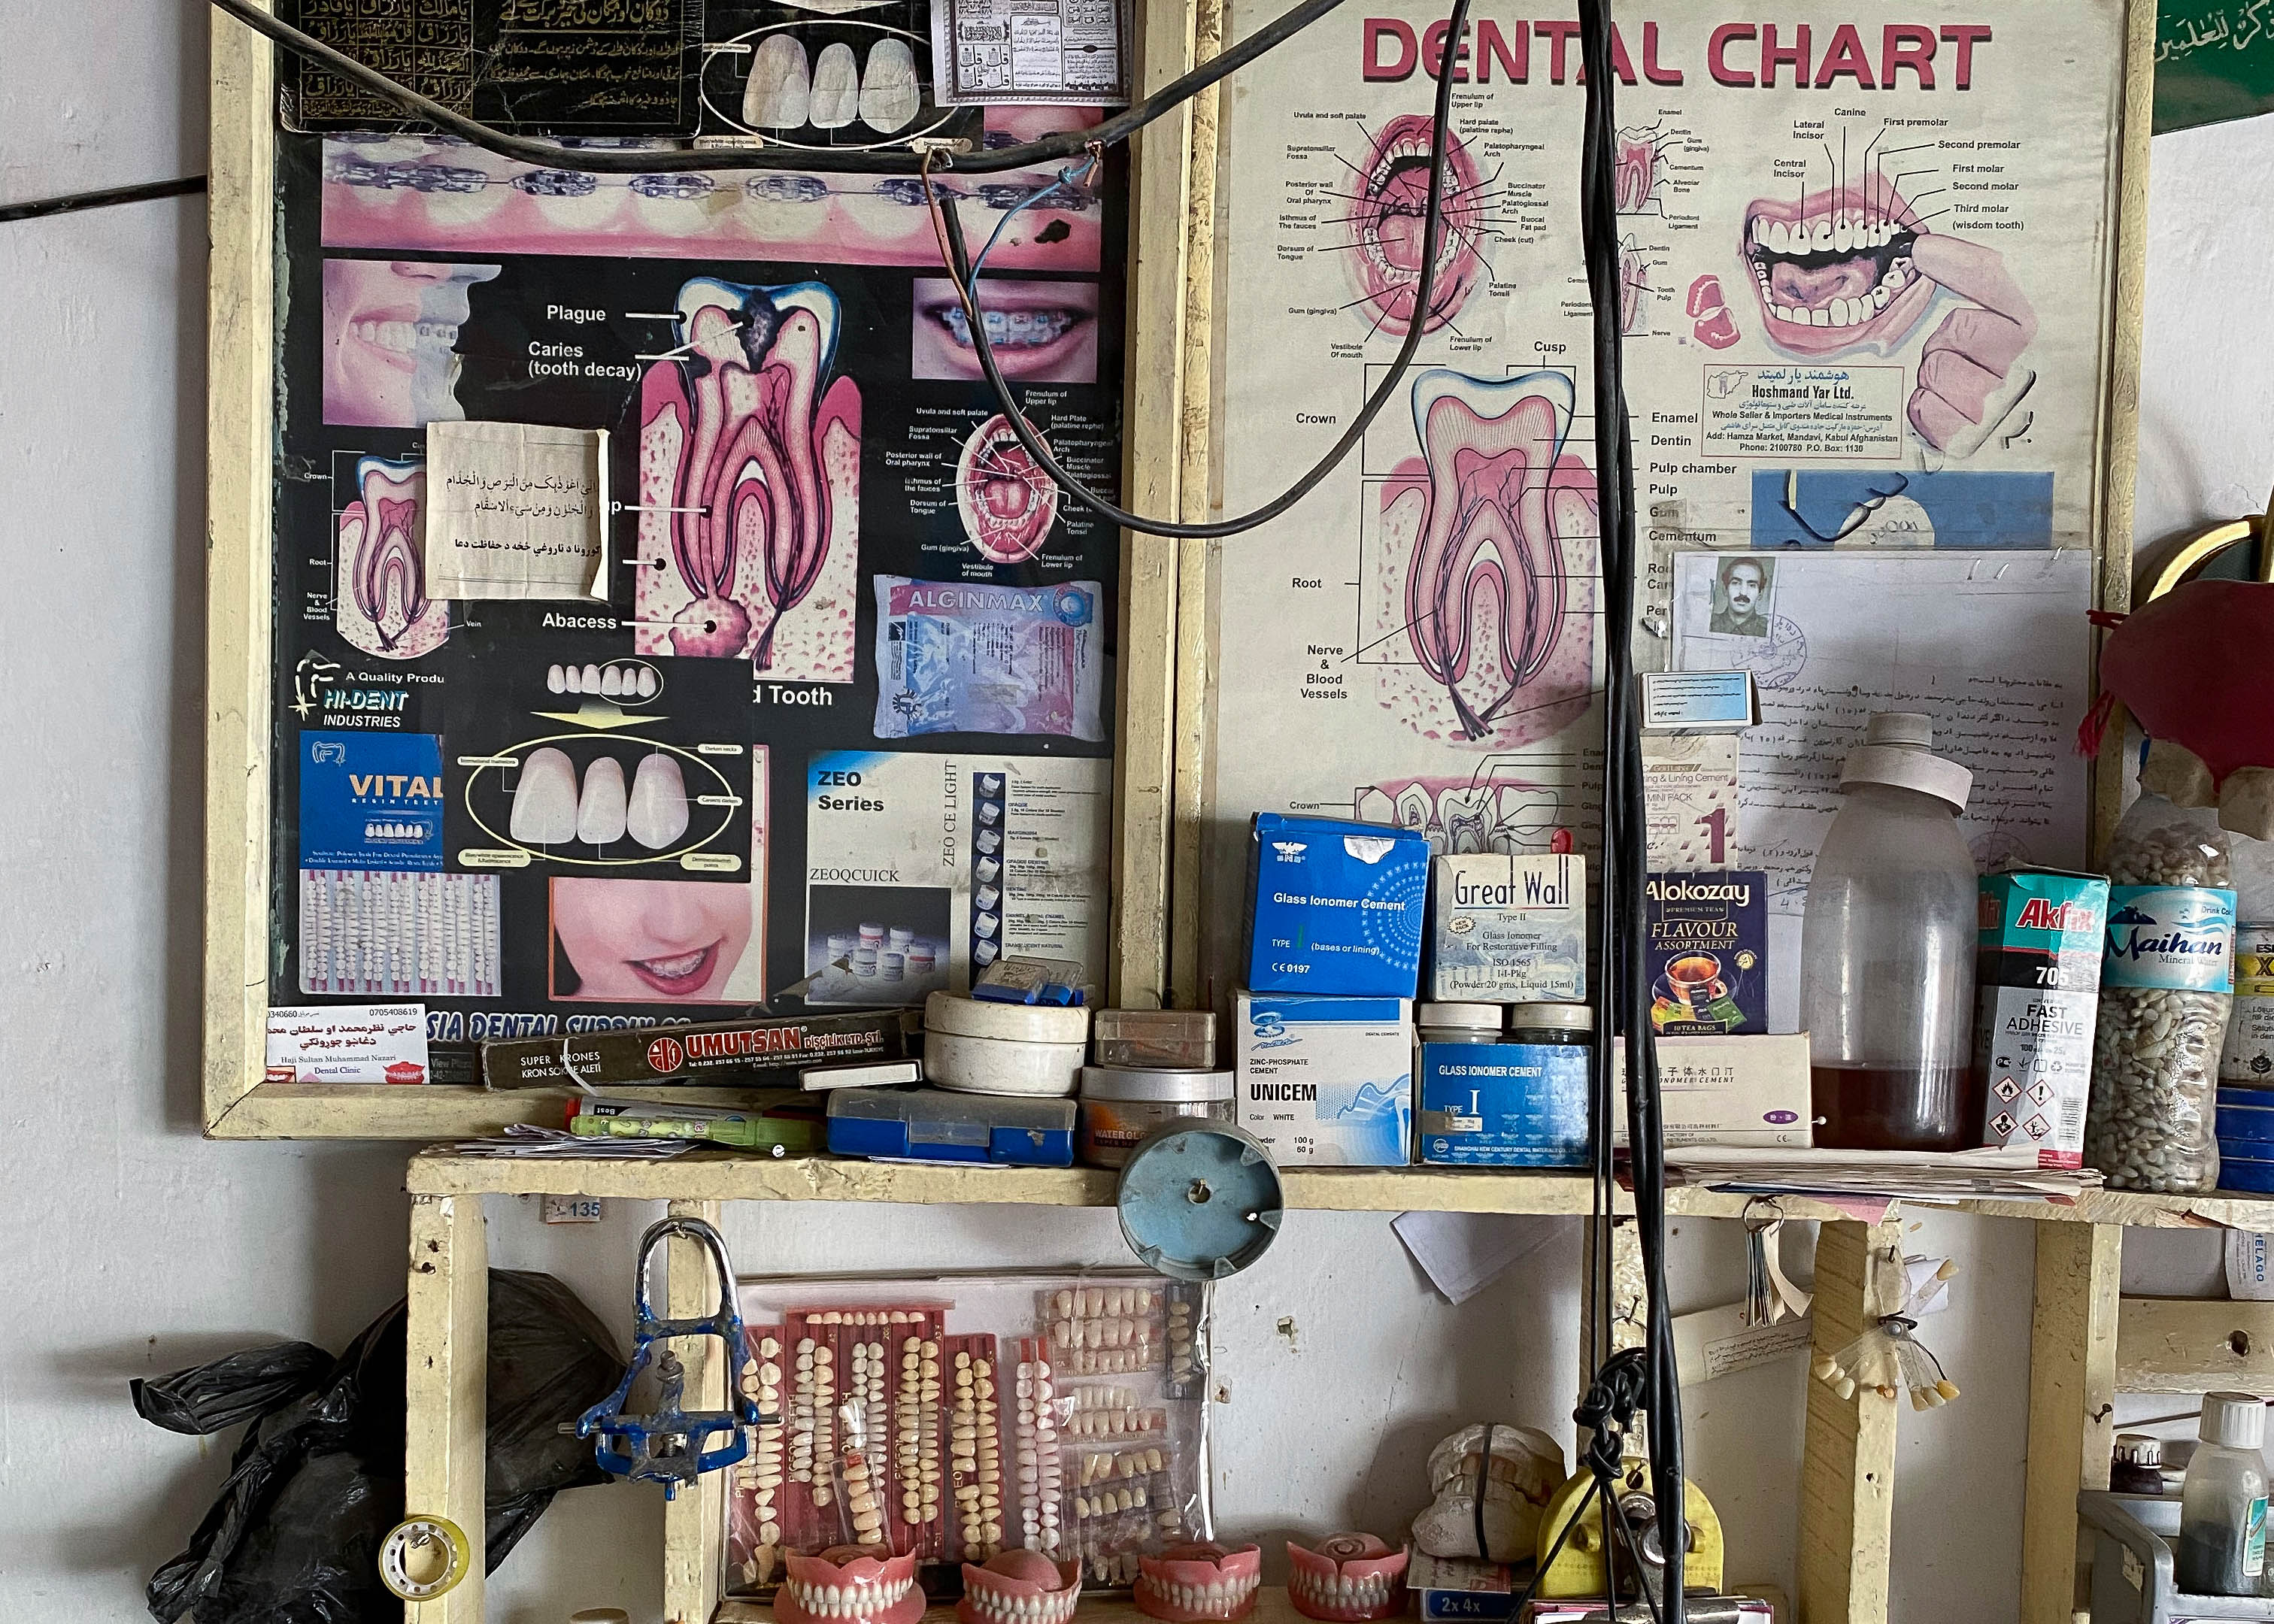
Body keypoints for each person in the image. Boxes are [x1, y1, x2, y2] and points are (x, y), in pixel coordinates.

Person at [1712, 556, 1772, 638]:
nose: (1743, 593)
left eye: (1751, 585)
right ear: (1725, 589)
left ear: (1760, 593)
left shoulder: (1769, 630)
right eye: (1736, 583)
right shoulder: (1709, 624)